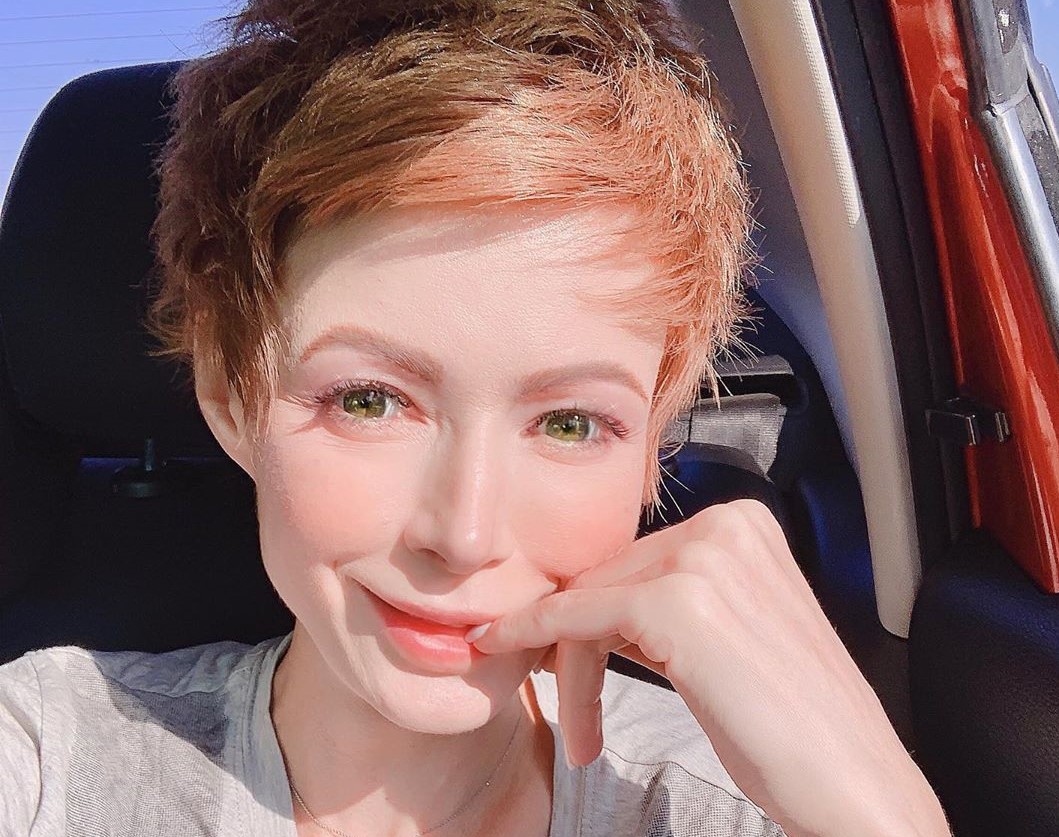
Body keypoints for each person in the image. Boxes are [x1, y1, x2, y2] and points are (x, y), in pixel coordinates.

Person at [0, 1, 952, 835]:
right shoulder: (47, 751)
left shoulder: (736, 805)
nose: (463, 536)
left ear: (652, 445)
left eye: (570, 423)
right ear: (230, 393)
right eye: (369, 400)